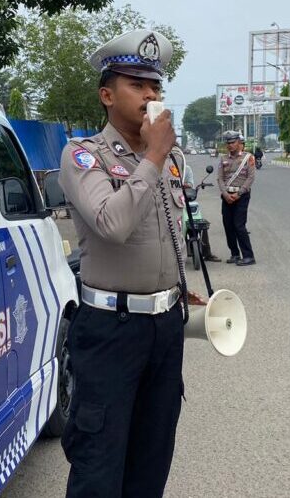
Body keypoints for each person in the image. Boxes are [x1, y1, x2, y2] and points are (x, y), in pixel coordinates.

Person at [58, 28, 204, 498]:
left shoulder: (170, 159)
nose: (150, 96)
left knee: (151, 462)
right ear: (107, 95)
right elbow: (113, 224)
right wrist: (153, 155)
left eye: (155, 86)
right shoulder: (84, 156)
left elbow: (166, 231)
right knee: (99, 468)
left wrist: (175, 286)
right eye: (137, 85)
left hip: (164, 330)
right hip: (110, 332)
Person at [218, 131, 256, 266]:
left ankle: (248, 256)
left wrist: (239, 194)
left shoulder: (248, 158)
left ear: (239, 143)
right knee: (228, 226)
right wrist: (225, 194)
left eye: (233, 142)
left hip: (242, 196)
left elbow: (250, 177)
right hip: (227, 196)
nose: (230, 145)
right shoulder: (223, 159)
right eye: (228, 143)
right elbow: (220, 179)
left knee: (239, 225)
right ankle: (234, 254)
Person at [182, 164, 221, 262]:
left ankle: (206, 253)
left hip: (185, 199)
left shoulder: (186, 168)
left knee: (200, 222)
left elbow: (190, 184)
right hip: (171, 200)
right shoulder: (167, 167)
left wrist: (181, 184)